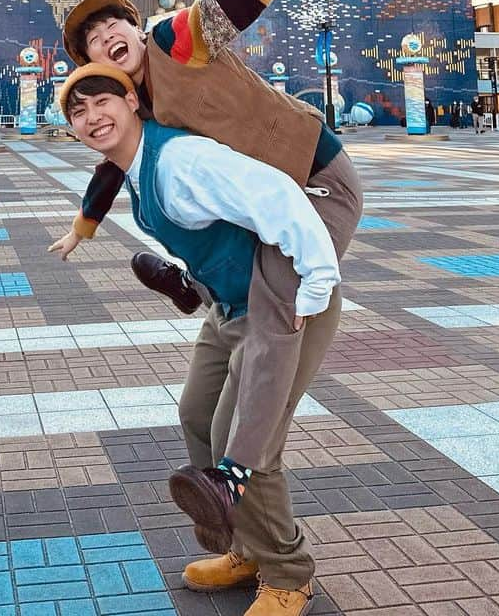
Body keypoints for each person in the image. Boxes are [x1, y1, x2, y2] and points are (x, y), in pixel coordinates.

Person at [60, 64, 361, 616]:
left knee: (246, 443)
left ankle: (288, 574)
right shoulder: (132, 167)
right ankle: (246, 547)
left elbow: (276, 197)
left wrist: (316, 283)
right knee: (198, 416)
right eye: (77, 112)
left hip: (284, 303)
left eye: (101, 102)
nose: (91, 118)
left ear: (132, 101)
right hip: (228, 306)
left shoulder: (180, 160)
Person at [48, 0, 362, 320]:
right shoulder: (132, 104)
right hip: (265, 188)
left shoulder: (173, 41)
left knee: (279, 302)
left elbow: (234, 0)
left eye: (112, 26)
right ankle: (197, 285)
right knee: (211, 236)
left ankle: (210, 304)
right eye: (95, 43)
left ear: (135, 28)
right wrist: (83, 227)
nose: (106, 39)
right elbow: (112, 168)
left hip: (315, 169)